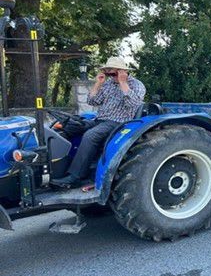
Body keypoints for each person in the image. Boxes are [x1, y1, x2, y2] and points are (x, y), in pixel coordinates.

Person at [51, 56, 146, 188]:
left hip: (118, 123)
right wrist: (98, 84)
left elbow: (133, 104)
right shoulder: (108, 84)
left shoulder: (137, 85)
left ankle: (75, 176)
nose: (110, 75)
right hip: (99, 120)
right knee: (67, 127)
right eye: (108, 71)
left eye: (112, 72)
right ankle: (57, 168)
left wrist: (123, 83)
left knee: (91, 135)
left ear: (122, 71)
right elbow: (92, 101)